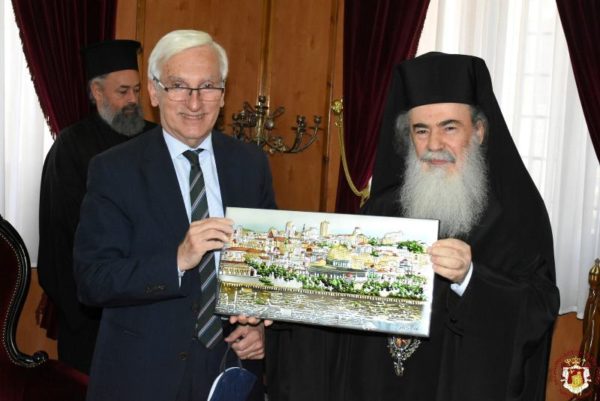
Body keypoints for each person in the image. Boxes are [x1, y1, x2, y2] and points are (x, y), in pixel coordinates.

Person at [266, 52, 559, 401]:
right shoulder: (381, 210)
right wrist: (279, 306)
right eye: (422, 130)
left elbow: (538, 309)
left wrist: (470, 279)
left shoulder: (516, 215)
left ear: (479, 131)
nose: (434, 145)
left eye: (449, 128)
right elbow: (333, 304)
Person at [73, 30, 277, 401]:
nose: (194, 102)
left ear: (223, 94)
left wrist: (261, 328)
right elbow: (93, 280)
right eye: (179, 86)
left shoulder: (250, 165)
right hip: (143, 376)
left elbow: (267, 268)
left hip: (231, 367)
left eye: (208, 86)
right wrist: (177, 260)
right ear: (154, 92)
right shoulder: (114, 170)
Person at [37, 39, 157, 374]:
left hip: (150, 310)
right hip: (90, 319)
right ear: (97, 92)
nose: (133, 100)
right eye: (123, 91)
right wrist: (89, 311)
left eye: (137, 90)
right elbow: (61, 237)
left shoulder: (157, 140)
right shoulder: (71, 147)